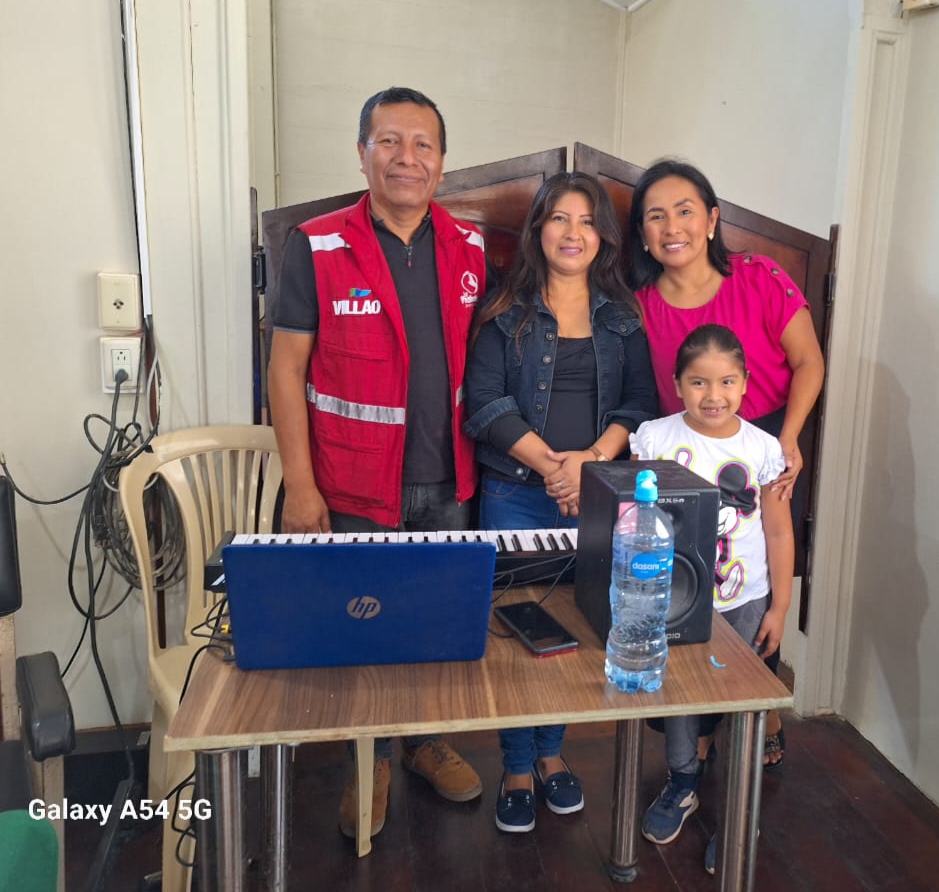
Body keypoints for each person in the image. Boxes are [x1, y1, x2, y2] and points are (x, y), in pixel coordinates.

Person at [267, 86, 485, 839]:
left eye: (423, 144)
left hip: (449, 481)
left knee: (430, 626)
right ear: (362, 154)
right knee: (363, 632)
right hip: (353, 484)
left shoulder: (471, 247)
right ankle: (370, 760)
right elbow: (285, 370)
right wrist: (300, 485)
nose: (406, 158)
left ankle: (422, 742)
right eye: (389, 141)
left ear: (443, 163)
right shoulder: (318, 244)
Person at [464, 171, 658, 832]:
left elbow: (639, 402)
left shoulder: (622, 317)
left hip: (595, 497)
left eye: (587, 221)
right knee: (516, 632)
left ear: (603, 236)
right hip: (516, 493)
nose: (573, 233)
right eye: (559, 219)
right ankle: (517, 766)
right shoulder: (504, 309)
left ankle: (552, 754)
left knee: (573, 631)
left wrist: (591, 464)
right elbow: (485, 403)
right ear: (538, 229)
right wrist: (553, 466)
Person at [629, 158, 825, 768]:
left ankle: (759, 707)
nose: (672, 227)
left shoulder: (759, 277)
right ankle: (699, 728)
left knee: (754, 578)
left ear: (712, 220)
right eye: (655, 216)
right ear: (642, 233)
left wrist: (787, 439)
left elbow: (809, 361)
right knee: (693, 591)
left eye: (685, 211)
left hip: (763, 444)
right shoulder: (639, 306)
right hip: (685, 457)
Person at [630, 324, 794, 873]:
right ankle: (682, 782)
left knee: (738, 703)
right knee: (679, 693)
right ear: (678, 384)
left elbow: (778, 530)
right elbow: (634, 517)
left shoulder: (763, 448)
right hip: (675, 597)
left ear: (745, 383)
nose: (713, 395)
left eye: (726, 382)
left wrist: (780, 607)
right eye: (699, 382)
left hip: (744, 600)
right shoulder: (653, 438)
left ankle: (737, 810)